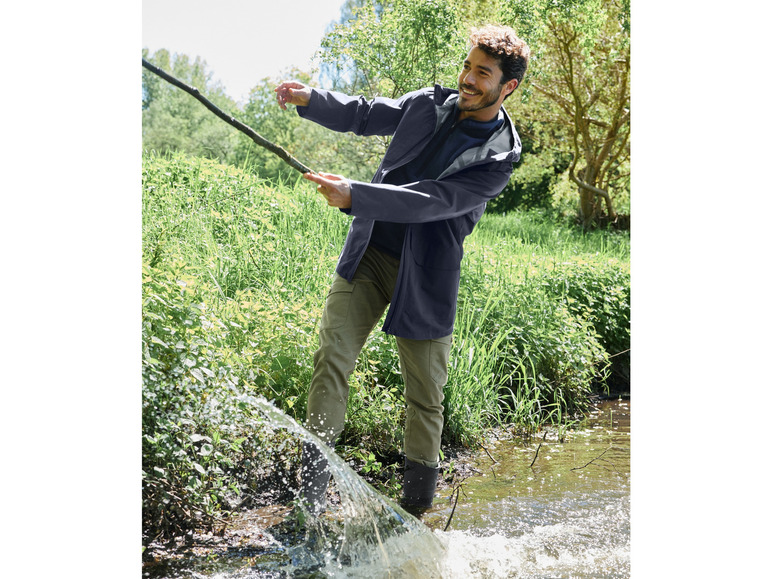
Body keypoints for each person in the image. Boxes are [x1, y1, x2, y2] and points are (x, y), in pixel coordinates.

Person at [275, 25, 530, 516]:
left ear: (508, 86)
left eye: (483, 73)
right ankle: (307, 500)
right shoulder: (430, 102)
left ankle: (414, 516)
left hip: (427, 279)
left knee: (426, 397)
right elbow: (368, 113)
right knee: (332, 360)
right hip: (368, 255)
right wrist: (312, 99)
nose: (469, 79)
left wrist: (356, 194)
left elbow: (434, 201)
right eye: (468, 66)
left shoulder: (501, 157)